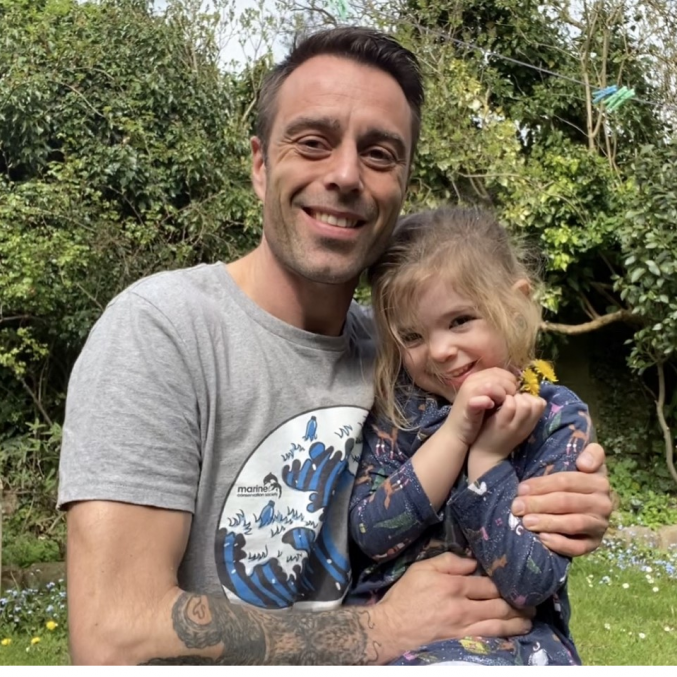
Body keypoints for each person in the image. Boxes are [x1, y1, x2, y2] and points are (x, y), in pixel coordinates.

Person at [57, 27, 612, 665]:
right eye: (313, 142)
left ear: (403, 184)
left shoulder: (411, 355)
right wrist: (378, 630)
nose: (346, 174)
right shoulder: (164, 331)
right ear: (261, 164)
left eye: (378, 154)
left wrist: (568, 499)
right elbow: (112, 636)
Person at [347, 206, 592, 666]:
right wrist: (457, 433)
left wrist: (489, 461)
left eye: (460, 320)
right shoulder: (397, 411)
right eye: (412, 337)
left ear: (514, 304)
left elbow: (530, 582)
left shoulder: (556, 418)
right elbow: (371, 534)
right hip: (400, 644)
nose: (440, 350)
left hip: (515, 648)